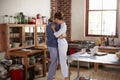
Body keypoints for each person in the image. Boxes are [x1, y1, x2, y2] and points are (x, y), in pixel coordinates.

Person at [51, 12, 68, 80]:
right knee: (62, 60)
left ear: (58, 19)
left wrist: (53, 29)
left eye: (55, 20)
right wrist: (62, 35)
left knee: (62, 61)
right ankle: (66, 74)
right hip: (61, 44)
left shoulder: (63, 26)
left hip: (62, 45)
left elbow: (57, 35)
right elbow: (60, 35)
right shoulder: (62, 24)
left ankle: (66, 76)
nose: (55, 21)